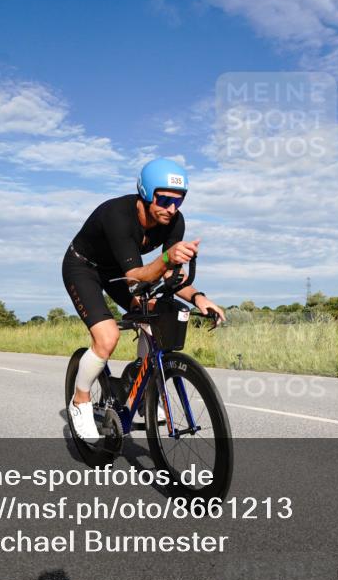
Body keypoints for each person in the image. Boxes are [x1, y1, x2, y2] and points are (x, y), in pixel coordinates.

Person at [62, 158, 225, 440]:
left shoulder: (174, 221)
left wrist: (199, 298)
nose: (171, 208)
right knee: (107, 337)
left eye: (178, 201)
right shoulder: (117, 215)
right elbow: (137, 277)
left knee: (156, 314)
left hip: (119, 271)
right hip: (84, 267)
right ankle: (80, 400)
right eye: (164, 200)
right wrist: (166, 258)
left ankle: (141, 383)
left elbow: (170, 275)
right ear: (146, 193)